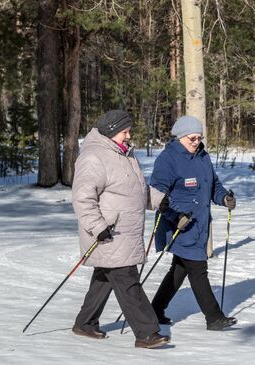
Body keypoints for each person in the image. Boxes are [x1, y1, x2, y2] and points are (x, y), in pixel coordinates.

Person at [71, 109, 170, 348]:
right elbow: (82, 198)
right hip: (109, 233)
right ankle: (147, 333)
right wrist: (97, 227)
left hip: (124, 231)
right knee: (127, 280)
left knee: (105, 278)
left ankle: (85, 323)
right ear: (111, 131)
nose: (128, 136)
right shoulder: (94, 157)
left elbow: (135, 189)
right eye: (124, 131)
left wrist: (156, 200)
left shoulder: (124, 155)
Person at [149, 115, 238, 331]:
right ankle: (214, 318)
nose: (196, 142)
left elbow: (213, 184)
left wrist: (224, 197)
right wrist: (175, 216)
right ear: (180, 137)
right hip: (179, 226)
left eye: (199, 138)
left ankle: (154, 311)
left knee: (179, 270)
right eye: (192, 138)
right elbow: (157, 196)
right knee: (198, 269)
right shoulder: (167, 159)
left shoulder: (202, 156)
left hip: (199, 226)